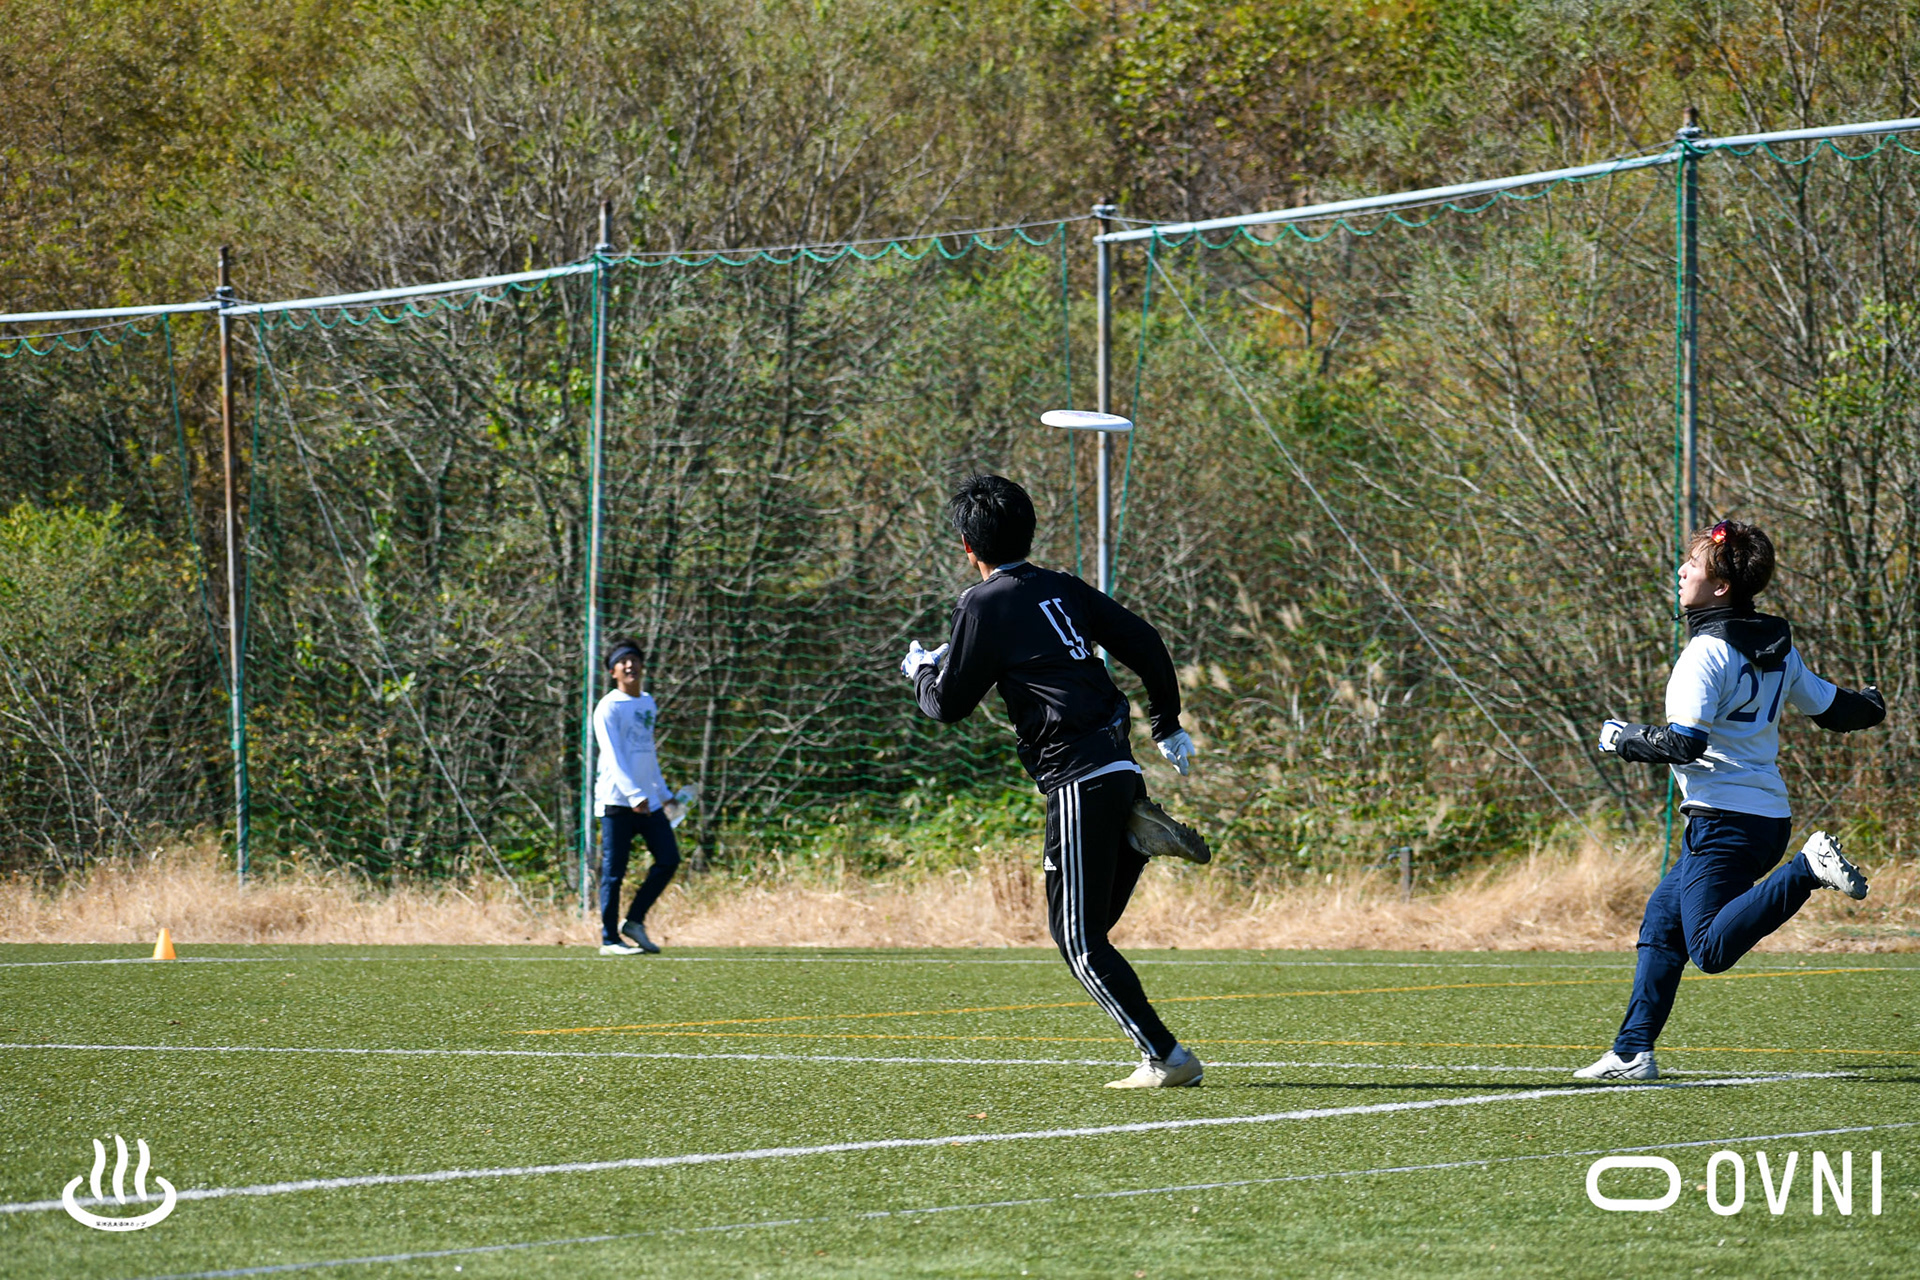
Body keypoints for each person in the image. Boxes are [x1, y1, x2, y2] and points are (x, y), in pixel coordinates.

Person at [902, 474, 1210, 1088]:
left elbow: (947, 706)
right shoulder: (1062, 587)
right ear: (1030, 531)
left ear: (967, 545)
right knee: (1088, 929)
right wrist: (1167, 724)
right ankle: (1133, 834)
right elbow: (1146, 642)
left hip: (1075, 775)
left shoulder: (981, 603)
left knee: (1076, 939)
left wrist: (921, 672)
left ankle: (1167, 1059)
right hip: (1118, 766)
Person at [1578, 519, 1885, 1081]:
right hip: (1762, 818)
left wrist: (1623, 738)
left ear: (1720, 587)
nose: (1681, 571)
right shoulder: (1776, 648)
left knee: (1710, 951)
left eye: (1692, 565)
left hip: (1725, 822)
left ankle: (1806, 870)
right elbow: (1833, 711)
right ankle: (1631, 1051)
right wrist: (1872, 705)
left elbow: (1684, 744)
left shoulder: (1703, 654)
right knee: (1663, 924)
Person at [592, 635, 683, 956]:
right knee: (614, 873)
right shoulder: (608, 707)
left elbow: (647, 753)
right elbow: (613, 755)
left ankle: (633, 922)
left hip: (648, 802)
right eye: (622, 661)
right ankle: (609, 940)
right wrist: (632, 795)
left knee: (669, 860)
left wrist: (664, 793)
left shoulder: (647, 702)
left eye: (634, 659)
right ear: (613, 671)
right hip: (618, 802)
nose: (629, 665)